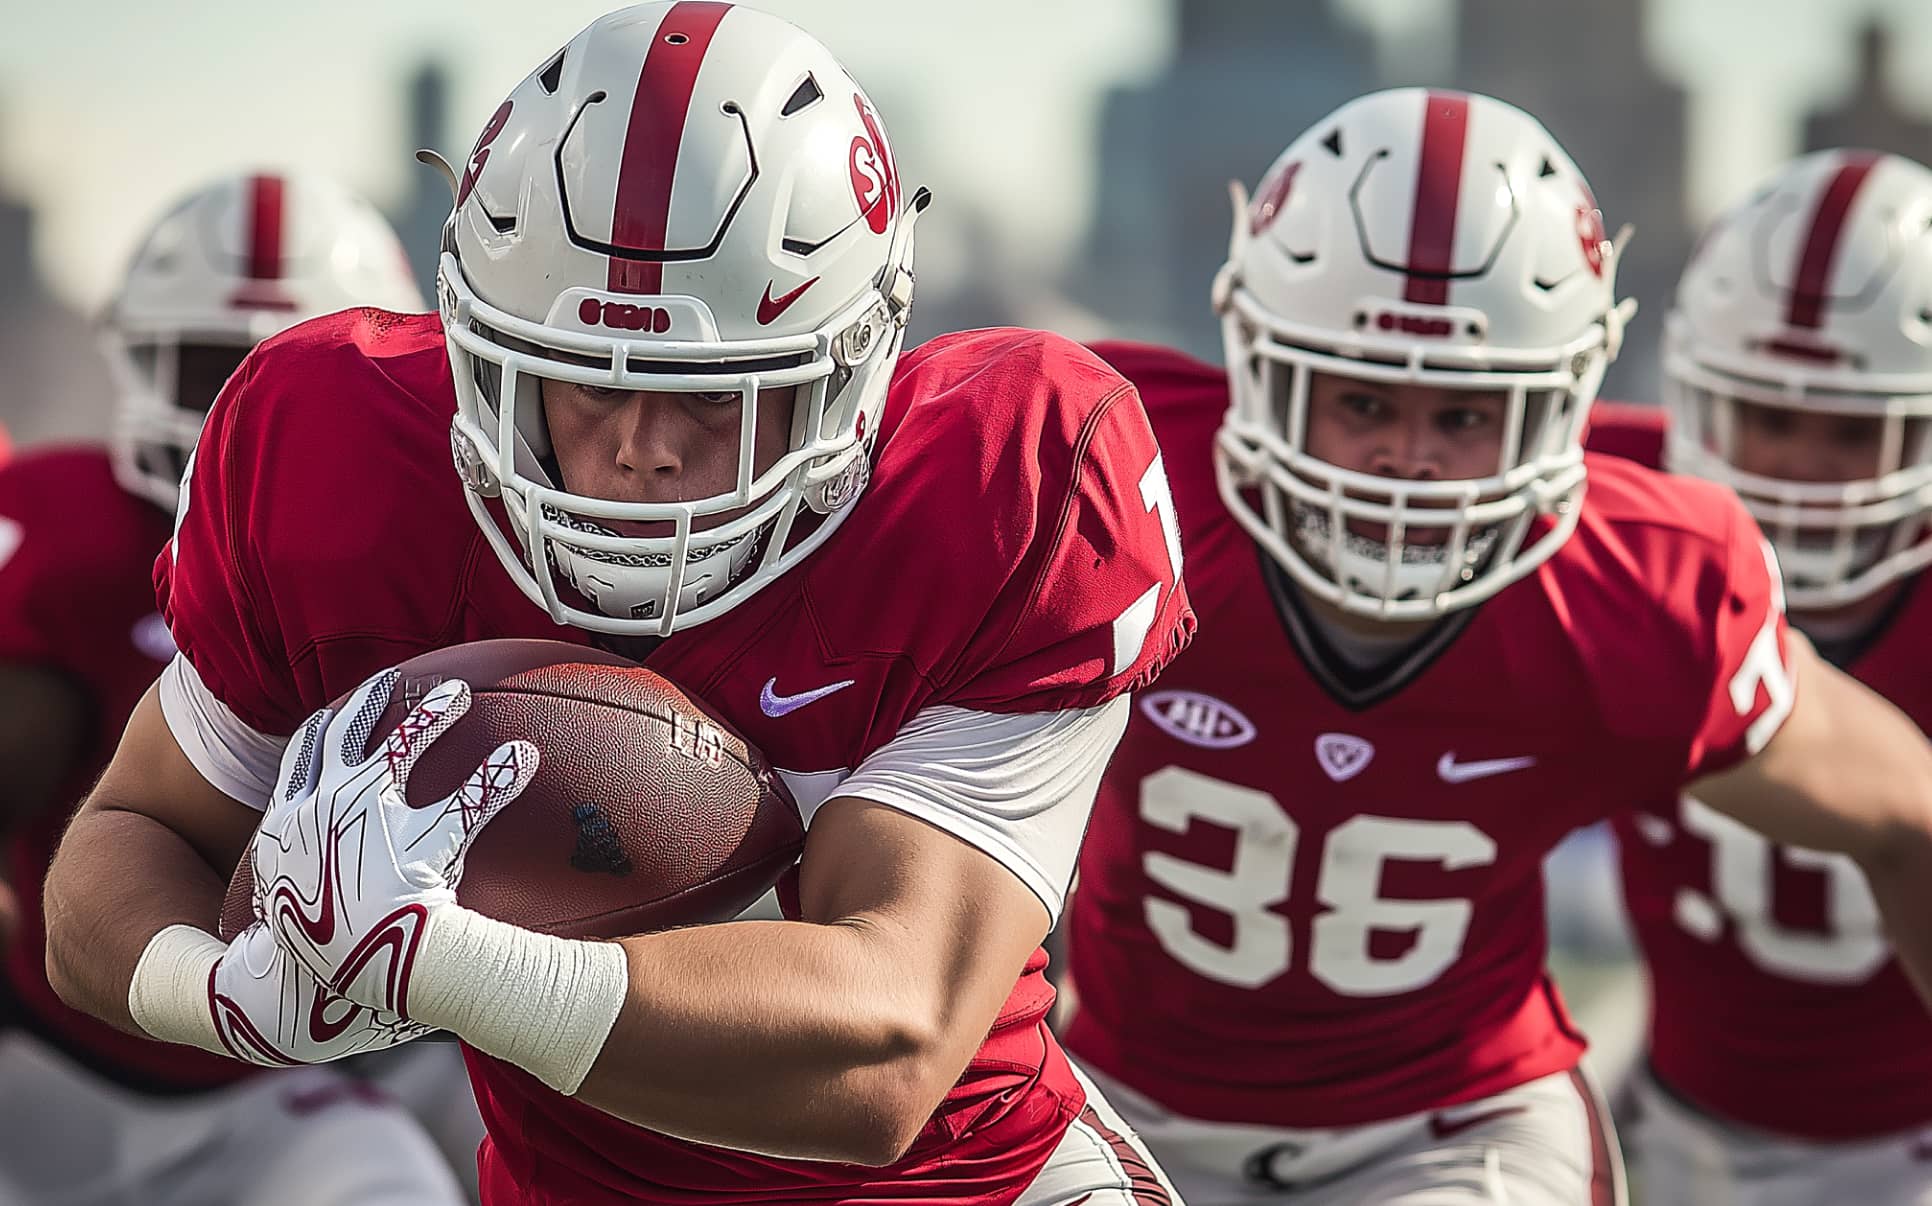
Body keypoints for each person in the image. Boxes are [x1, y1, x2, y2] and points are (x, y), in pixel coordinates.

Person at [42, 5, 1192, 1204]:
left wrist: (447, 969)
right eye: (573, 386)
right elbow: (125, 847)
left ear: (855, 370)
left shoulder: (1005, 486)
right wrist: (223, 997)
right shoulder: (338, 455)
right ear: (475, 350)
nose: (642, 450)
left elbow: (888, 1057)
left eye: (717, 400)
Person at [1061, 88, 1932, 1206]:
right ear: (1262, 371)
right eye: (1364, 402)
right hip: (1114, 1088)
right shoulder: (1118, 489)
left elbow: (1907, 807)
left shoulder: (1640, 583)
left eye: (1465, 417)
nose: (1410, 462)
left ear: (1560, 407)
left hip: (1452, 1125)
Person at [0, 173, 468, 1203]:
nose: (245, 417)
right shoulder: (65, 536)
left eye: (288, 377)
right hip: (43, 1063)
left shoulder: (425, 566)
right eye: (213, 368)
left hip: (307, 1077)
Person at [1588, 148, 1932, 1206]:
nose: (1797, 471)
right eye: (1766, 419)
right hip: (1669, 1115)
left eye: (1851, 432)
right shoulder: (1607, 512)